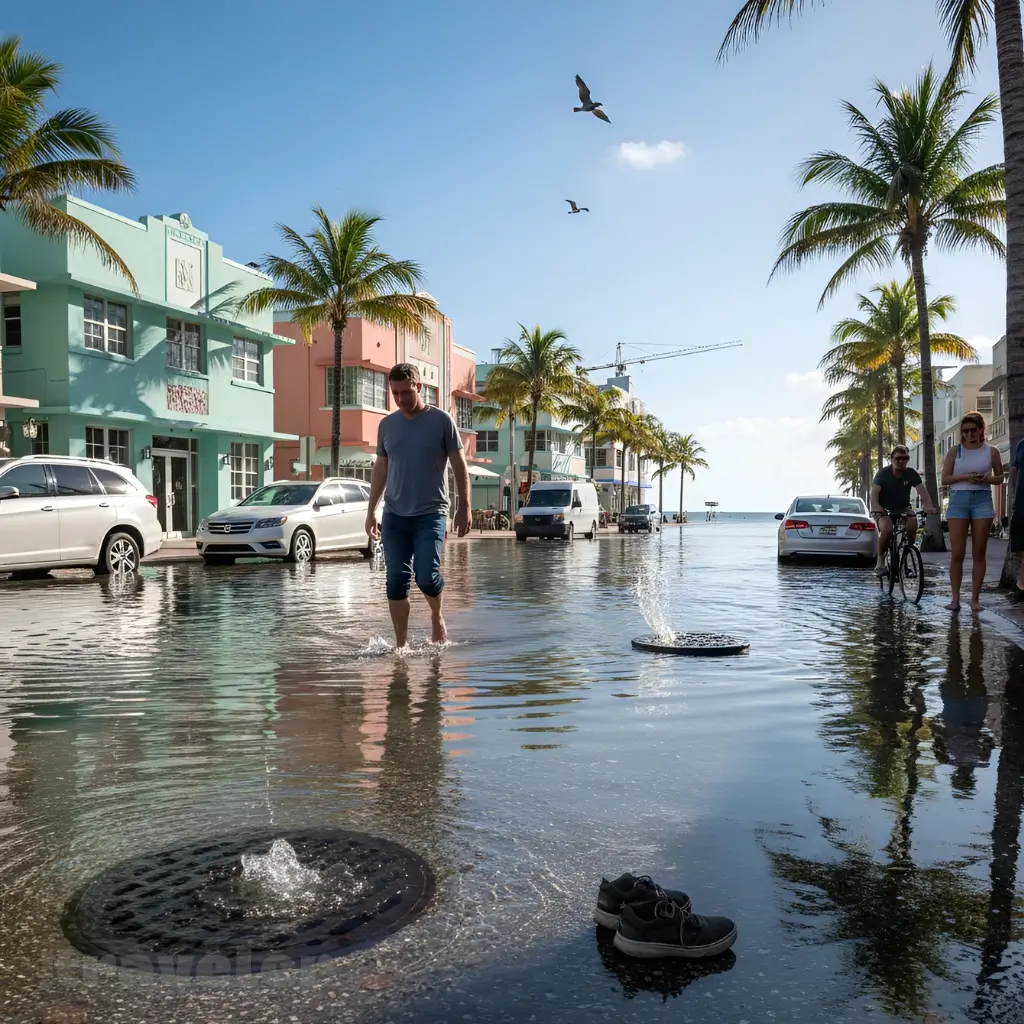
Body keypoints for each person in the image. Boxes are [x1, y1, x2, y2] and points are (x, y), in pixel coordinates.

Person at [365, 363, 471, 646]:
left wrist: (465, 506)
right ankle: (401, 646)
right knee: (395, 581)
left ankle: (437, 615)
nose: (400, 399)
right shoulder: (387, 425)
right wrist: (371, 511)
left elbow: (460, 467)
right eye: (395, 393)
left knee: (426, 576)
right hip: (395, 516)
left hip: (431, 514)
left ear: (419, 387)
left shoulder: (441, 421)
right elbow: (380, 470)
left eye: (405, 392)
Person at [940, 411, 1004, 612]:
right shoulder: (955, 451)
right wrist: (965, 477)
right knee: (957, 552)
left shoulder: (991, 451)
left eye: (973, 430)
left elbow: (1000, 478)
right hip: (959, 499)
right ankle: (956, 599)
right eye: (965, 431)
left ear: (981, 430)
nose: (969, 434)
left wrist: (985, 479)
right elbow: (945, 479)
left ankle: (975, 599)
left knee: (979, 551)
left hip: (982, 499)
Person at [870, 445, 936, 577]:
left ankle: (907, 552)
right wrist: (876, 507)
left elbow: (922, 491)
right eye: (898, 458)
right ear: (892, 459)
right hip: (884, 509)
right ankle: (880, 561)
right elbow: (874, 493)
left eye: (904, 458)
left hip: (903, 507)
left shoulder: (911, 473)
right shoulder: (883, 474)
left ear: (908, 459)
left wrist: (929, 506)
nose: (901, 461)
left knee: (912, 523)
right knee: (887, 529)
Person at [1008, 432, 1024, 601]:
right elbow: (1014, 469)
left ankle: (1021, 587)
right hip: (1021, 502)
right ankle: (1021, 586)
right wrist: (1011, 494)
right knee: (1019, 546)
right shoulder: (1021, 444)